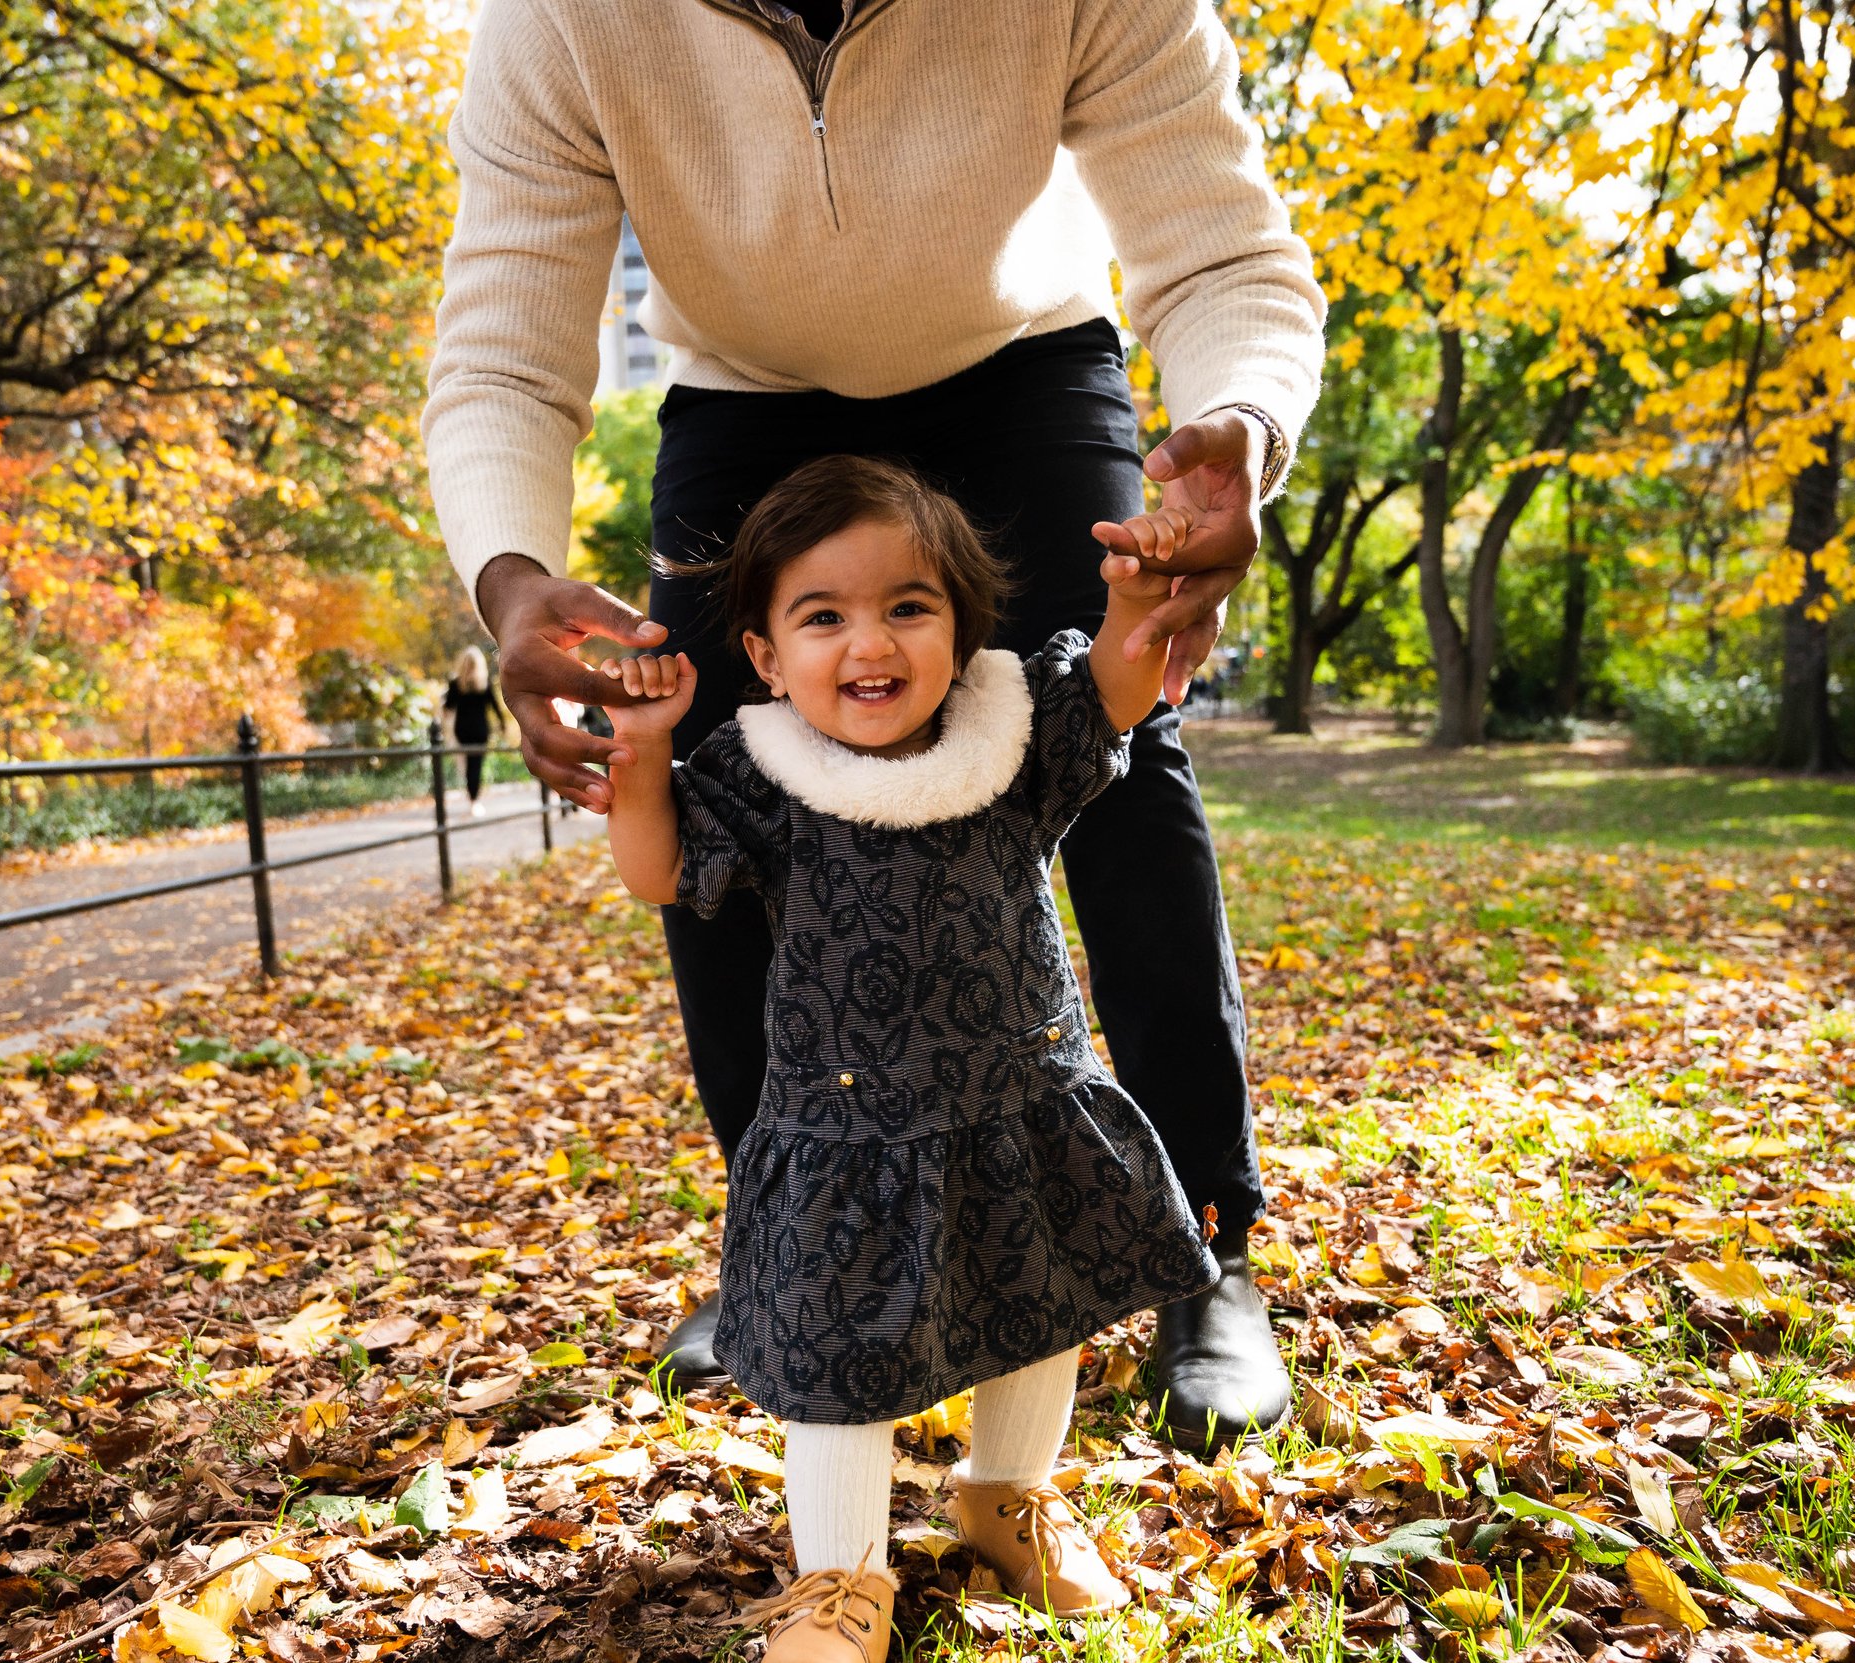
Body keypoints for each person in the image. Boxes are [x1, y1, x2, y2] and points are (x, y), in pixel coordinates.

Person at [422, 0, 1327, 1452]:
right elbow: (505, 333)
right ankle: (782, 1248)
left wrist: (1241, 420)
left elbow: (1218, 244)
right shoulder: (564, 17)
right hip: (747, 403)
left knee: (1122, 748)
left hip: (1023, 368)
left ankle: (1207, 1247)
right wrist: (511, 571)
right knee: (721, 778)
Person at [600, 457, 1217, 1658]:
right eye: (820, 616)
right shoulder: (768, 772)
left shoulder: (1009, 735)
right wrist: (637, 751)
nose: (867, 641)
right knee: (839, 1356)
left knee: (1042, 1306)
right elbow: (658, 872)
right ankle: (841, 1582)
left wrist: (1140, 608)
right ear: (767, 656)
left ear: (961, 625)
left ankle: (1005, 1496)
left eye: (906, 606)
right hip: (846, 1132)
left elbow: (1120, 687)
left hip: (1018, 1098)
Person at [439, 647, 507, 816]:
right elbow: (495, 707)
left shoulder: (456, 684)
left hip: (462, 730)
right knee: (476, 765)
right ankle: (474, 800)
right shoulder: (484, 684)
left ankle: (472, 799)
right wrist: (502, 724)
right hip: (480, 730)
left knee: (469, 765)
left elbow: (447, 708)